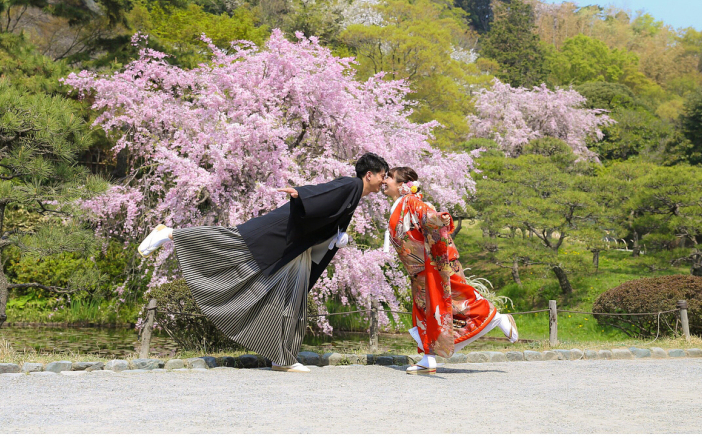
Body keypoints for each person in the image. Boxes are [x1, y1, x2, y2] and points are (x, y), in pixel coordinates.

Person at [137, 153, 389, 372]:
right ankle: (170, 233)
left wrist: (336, 235)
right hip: (282, 233)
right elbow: (325, 190)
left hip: (297, 245)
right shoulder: (352, 185)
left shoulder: (354, 192)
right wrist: (302, 193)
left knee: (291, 294)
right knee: (232, 243)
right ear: (369, 174)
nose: (383, 181)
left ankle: (282, 357)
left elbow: (327, 211)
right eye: (382, 175)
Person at [382, 166, 518, 375]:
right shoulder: (401, 204)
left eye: (389, 178)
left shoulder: (410, 201)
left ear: (401, 185)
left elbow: (427, 216)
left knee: (455, 299)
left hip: (433, 266)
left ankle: (497, 318)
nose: (385, 181)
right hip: (420, 270)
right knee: (425, 312)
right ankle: (428, 358)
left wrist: (440, 218)